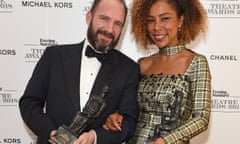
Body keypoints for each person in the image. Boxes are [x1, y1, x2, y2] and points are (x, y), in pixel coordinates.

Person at [19, 0, 140, 144]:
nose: (109, 29)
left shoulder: (129, 69)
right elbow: (29, 103)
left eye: (117, 24)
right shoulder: (54, 56)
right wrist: (53, 133)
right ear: (89, 17)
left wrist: (95, 137)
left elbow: (129, 123)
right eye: (104, 18)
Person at [103, 0, 211, 143]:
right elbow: (129, 109)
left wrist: (165, 141)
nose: (156, 27)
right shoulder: (142, 64)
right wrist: (117, 117)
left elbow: (201, 118)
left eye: (165, 19)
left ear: (181, 20)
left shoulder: (196, 63)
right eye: (150, 20)